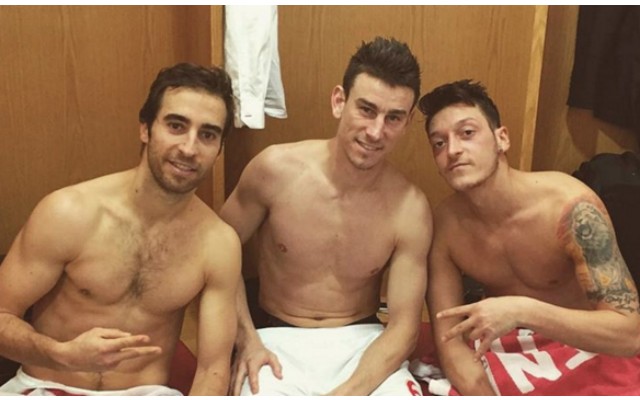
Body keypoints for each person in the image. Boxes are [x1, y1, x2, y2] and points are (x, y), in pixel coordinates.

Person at [0, 63, 241, 396]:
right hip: (47, 385)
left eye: (208, 135)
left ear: (219, 148)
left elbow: (213, 369)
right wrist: (61, 354)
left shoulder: (218, 244)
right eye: (176, 126)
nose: (189, 148)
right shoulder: (68, 212)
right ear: (145, 129)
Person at [220, 37, 432, 396]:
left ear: (408, 121)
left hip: (365, 345)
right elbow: (214, 258)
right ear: (339, 101)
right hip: (274, 341)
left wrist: (348, 393)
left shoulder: (410, 208)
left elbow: (404, 327)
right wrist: (246, 339)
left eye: (393, 117)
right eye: (366, 109)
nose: (376, 131)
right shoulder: (274, 170)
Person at [418, 79, 640, 395]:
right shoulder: (445, 227)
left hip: (587, 345)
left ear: (502, 139)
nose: (452, 150)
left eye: (467, 133)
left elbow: (630, 334)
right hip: (509, 348)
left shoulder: (572, 209)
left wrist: (522, 310)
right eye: (439, 143)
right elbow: (450, 342)